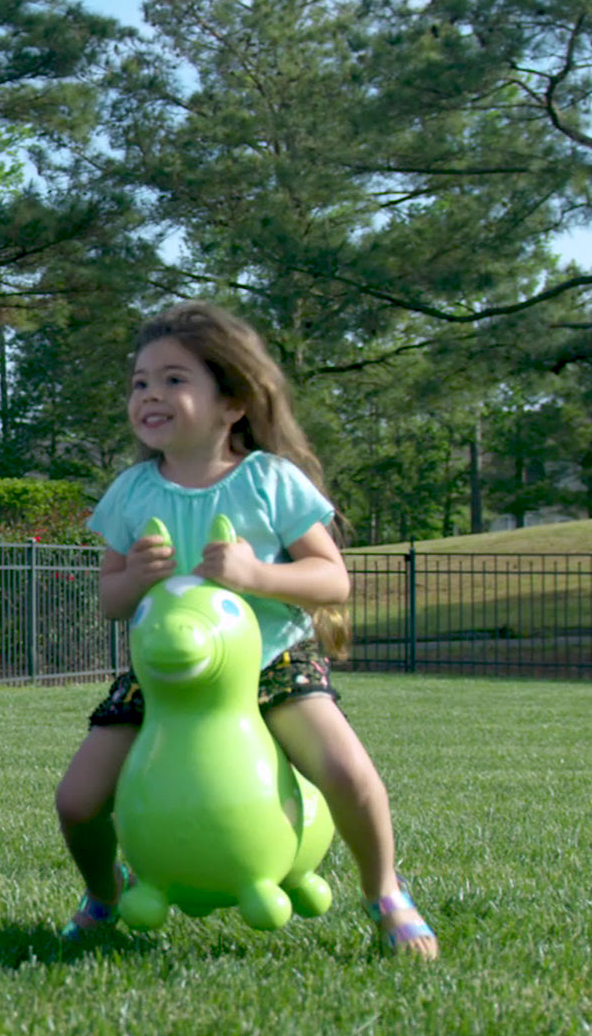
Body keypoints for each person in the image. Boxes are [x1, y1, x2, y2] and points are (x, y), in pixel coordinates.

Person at [55, 301, 439, 959]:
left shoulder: (269, 482)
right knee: (78, 800)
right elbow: (109, 601)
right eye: (140, 382)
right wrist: (137, 580)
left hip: (272, 667)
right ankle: (104, 896)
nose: (150, 395)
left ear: (231, 401)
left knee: (347, 773)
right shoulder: (130, 493)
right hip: (168, 679)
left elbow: (331, 579)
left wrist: (255, 574)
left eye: (175, 380)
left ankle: (385, 894)